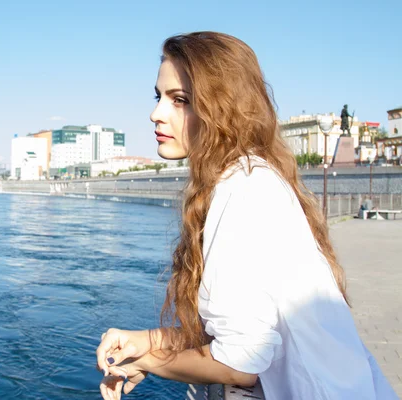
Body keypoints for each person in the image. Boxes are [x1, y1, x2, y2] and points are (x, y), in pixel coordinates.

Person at [95, 32, 397, 400]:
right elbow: (245, 332)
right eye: (159, 97)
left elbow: (241, 363)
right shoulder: (250, 176)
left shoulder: (243, 189)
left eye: (180, 100)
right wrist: (145, 340)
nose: (156, 113)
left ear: (222, 108)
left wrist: (148, 361)